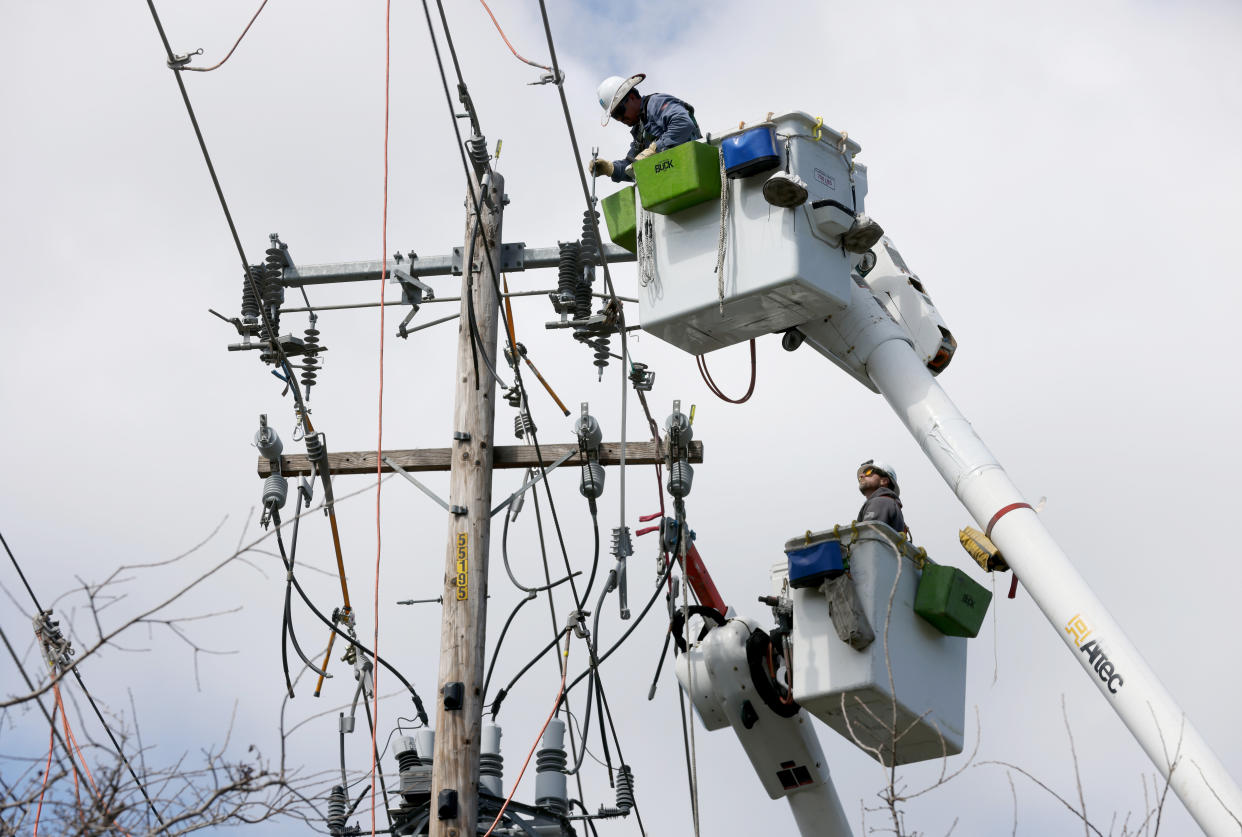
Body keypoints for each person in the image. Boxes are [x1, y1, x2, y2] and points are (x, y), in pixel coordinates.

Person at [588, 73, 701, 183]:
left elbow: (683, 123)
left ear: (632, 97)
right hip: (676, 179)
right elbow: (633, 167)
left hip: (695, 169)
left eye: (619, 111)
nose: (620, 119)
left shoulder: (655, 103)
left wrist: (655, 149)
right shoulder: (640, 132)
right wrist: (611, 168)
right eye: (614, 116)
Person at [856, 458, 907, 534]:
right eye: (860, 477)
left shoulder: (880, 502)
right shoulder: (888, 502)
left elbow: (869, 537)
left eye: (868, 472)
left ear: (884, 481)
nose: (862, 476)